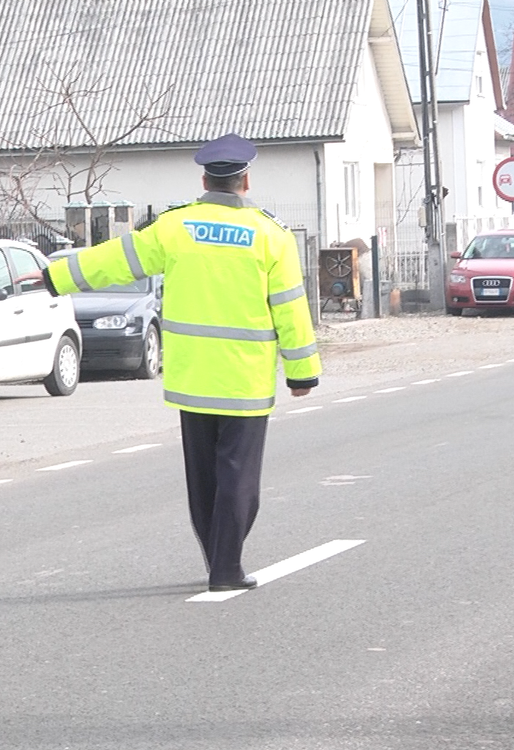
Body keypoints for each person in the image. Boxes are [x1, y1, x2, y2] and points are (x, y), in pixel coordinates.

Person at [42, 133, 321, 593]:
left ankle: (218, 560)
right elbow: (291, 309)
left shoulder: (176, 227)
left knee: (205, 478)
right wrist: (301, 371)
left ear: (204, 178)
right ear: (245, 181)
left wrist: (57, 275)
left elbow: (119, 259)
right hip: (244, 380)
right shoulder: (272, 237)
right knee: (238, 477)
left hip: (193, 377)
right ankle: (226, 567)